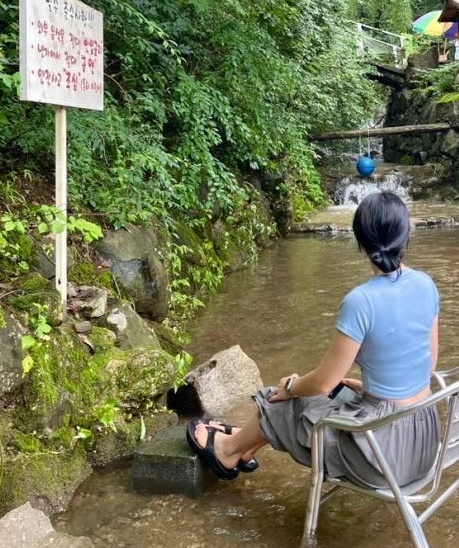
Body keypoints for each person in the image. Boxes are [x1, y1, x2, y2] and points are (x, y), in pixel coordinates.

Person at [186, 190, 440, 490]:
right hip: (423, 442)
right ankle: (245, 447)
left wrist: (291, 387)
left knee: (284, 398)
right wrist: (371, 388)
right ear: (405, 233)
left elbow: (322, 383)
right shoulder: (426, 284)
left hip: (383, 457)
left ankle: (227, 452)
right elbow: (427, 364)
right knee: (323, 396)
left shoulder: (361, 301)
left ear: (360, 240)